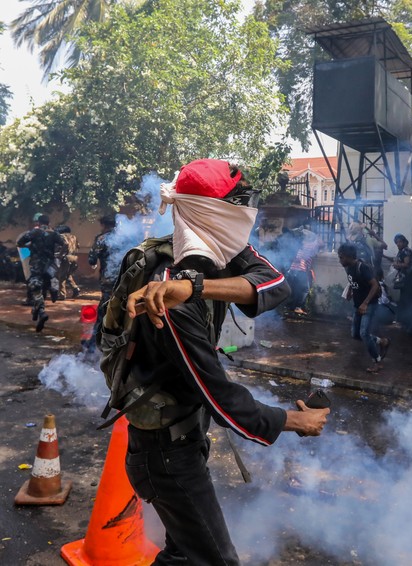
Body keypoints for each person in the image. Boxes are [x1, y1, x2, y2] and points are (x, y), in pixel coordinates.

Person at [121, 158, 329, 565]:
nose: (247, 214)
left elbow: (277, 284)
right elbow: (219, 397)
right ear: (215, 211)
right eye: (239, 202)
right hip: (165, 456)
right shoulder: (169, 302)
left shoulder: (210, 256)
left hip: (181, 443)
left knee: (182, 555)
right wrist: (293, 420)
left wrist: (196, 287)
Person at [338, 242, 391, 373]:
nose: (340, 260)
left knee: (364, 333)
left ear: (350, 257)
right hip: (358, 305)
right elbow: (352, 280)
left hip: (369, 304)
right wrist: (350, 290)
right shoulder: (348, 267)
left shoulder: (363, 267)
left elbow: (375, 286)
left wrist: (365, 303)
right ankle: (382, 341)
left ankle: (377, 362)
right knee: (356, 334)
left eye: (342, 257)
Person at [17, 214, 64, 332]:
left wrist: (30, 246)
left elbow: (20, 242)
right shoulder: (54, 233)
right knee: (45, 286)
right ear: (49, 222)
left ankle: (41, 311)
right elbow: (65, 244)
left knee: (35, 288)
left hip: (37, 265)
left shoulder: (34, 232)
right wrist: (59, 254)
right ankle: (51, 292)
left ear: (39, 222)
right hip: (49, 266)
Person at [86, 214, 117, 350]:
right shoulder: (128, 236)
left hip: (109, 280)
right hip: (128, 279)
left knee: (104, 309)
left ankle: (94, 343)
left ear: (103, 225)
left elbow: (92, 259)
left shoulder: (102, 239)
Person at [284, 228, 324, 316]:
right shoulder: (312, 245)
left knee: (295, 289)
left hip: (293, 270)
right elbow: (321, 243)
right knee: (304, 289)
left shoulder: (302, 244)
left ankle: (291, 308)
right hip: (300, 269)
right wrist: (317, 237)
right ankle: (297, 307)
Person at [55, 225, 81, 300]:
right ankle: (76, 289)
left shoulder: (61, 236)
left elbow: (65, 244)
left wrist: (60, 254)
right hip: (74, 257)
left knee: (61, 276)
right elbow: (78, 246)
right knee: (68, 274)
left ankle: (62, 295)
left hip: (66, 257)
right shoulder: (74, 237)